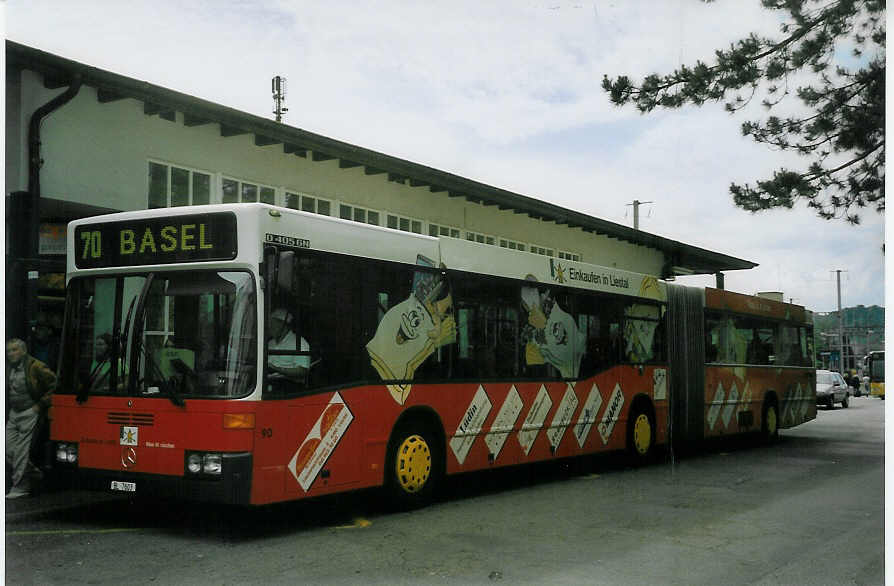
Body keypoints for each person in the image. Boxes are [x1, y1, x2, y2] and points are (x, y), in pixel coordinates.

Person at [6, 338, 55, 498]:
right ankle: (34, 474)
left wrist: (40, 405)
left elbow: (55, 385)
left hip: (30, 411)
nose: (10, 354)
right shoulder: (8, 367)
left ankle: (21, 486)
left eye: (14, 350)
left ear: (24, 351)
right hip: (14, 413)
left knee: (21, 451)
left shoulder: (36, 366)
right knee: (7, 449)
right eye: (8, 351)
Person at [267, 308, 310, 380]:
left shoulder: (299, 343)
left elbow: (302, 371)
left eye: (273, 324)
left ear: (283, 326)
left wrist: (276, 369)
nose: (270, 328)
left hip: (287, 383)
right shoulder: (270, 343)